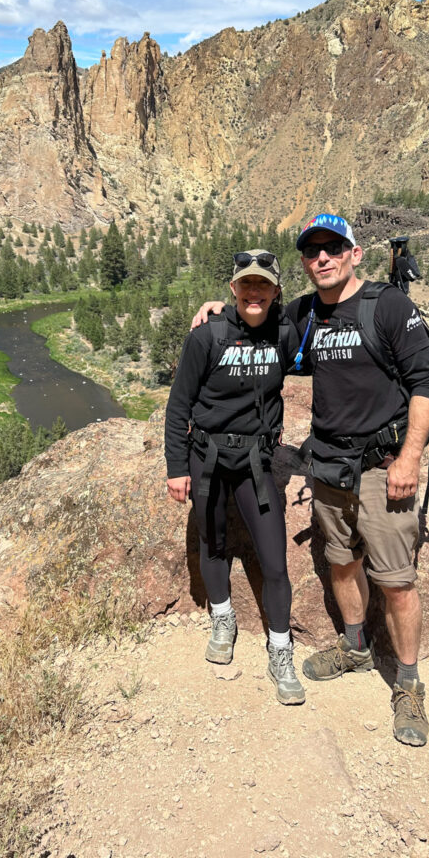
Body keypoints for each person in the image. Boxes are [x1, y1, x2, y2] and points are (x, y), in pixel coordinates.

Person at [192, 216, 429, 746]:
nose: (322, 258)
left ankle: (410, 683)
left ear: (354, 254)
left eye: (332, 248)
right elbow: (253, 315)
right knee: (342, 562)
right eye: (312, 252)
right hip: (328, 464)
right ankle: (355, 648)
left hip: (381, 466)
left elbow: (426, 384)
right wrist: (217, 312)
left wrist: (409, 458)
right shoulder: (304, 313)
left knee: (396, 581)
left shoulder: (388, 306)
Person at [165, 250, 305, 706]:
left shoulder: (285, 333)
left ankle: (280, 648)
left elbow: (323, 311)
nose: (254, 292)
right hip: (206, 457)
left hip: (256, 462)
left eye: (263, 285)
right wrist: (176, 469)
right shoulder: (208, 336)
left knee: (275, 558)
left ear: (276, 292)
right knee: (213, 543)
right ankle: (222, 617)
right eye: (246, 284)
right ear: (232, 288)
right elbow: (178, 407)